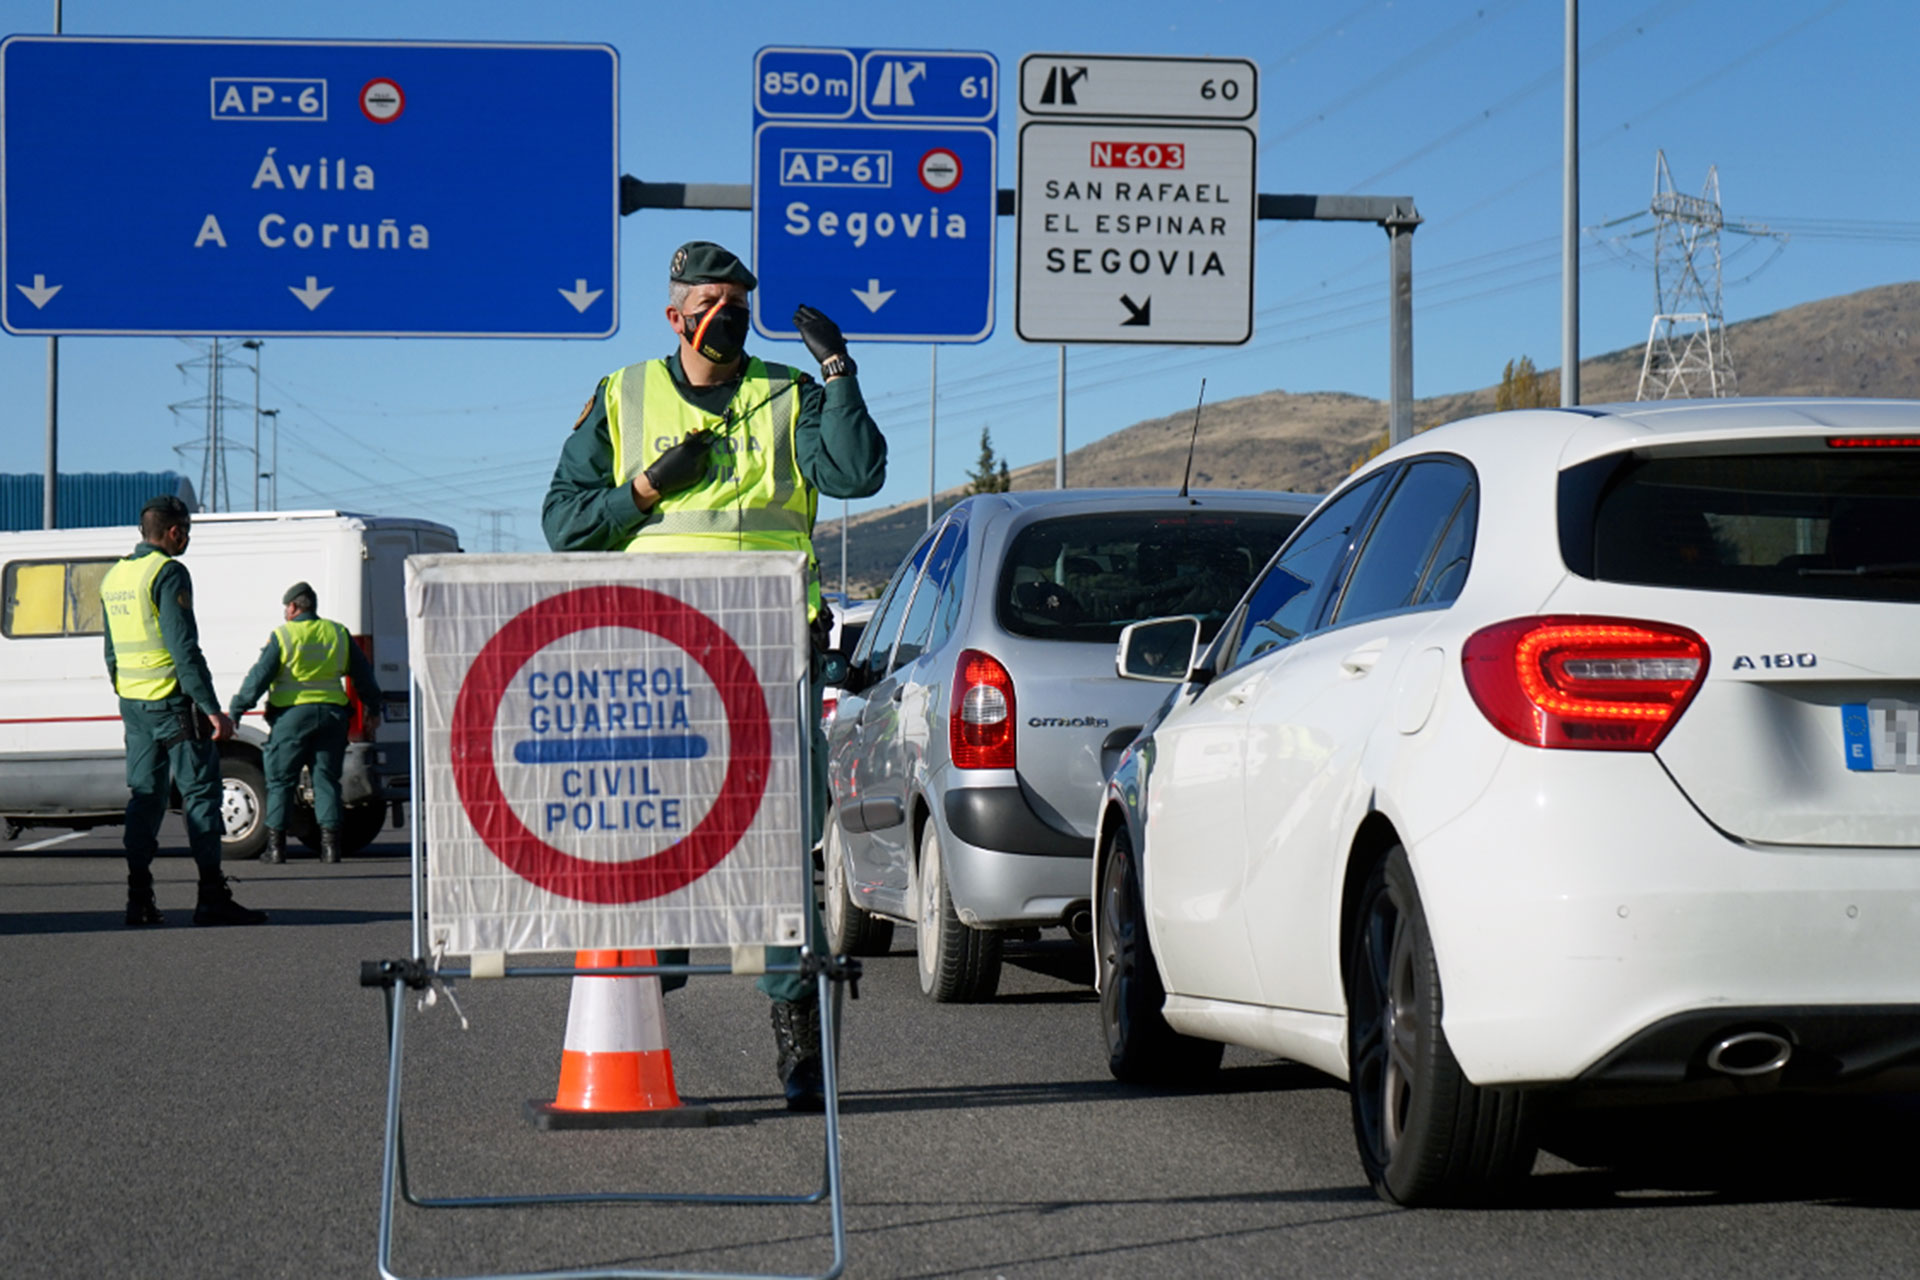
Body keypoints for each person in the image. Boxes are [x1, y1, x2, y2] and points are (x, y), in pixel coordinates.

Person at [543, 240, 886, 1111]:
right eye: (709, 304)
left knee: (778, 853)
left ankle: (798, 1048)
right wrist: (645, 490)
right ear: (675, 315)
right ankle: (646, 996)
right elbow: (564, 524)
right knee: (654, 842)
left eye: (738, 303)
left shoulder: (791, 392)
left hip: (770, 660)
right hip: (655, 664)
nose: (726, 317)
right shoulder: (623, 394)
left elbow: (856, 472)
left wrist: (838, 370)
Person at [102, 495, 267, 927]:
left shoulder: (115, 576)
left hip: (134, 705)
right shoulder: (168, 572)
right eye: (187, 531)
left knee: (145, 797)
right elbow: (184, 649)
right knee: (201, 795)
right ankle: (211, 897)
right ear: (174, 532)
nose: (187, 539)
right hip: (173, 704)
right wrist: (212, 709)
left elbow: (111, 653)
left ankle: (139, 899)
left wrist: (129, 693)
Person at [227, 581, 383, 864]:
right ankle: (331, 848)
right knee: (326, 780)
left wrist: (237, 709)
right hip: (332, 716)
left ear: (293, 607)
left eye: (286, 607)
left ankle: (276, 849)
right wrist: (373, 708)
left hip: (292, 718)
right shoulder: (337, 633)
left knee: (281, 781)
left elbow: (259, 677)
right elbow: (364, 676)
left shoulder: (284, 636)